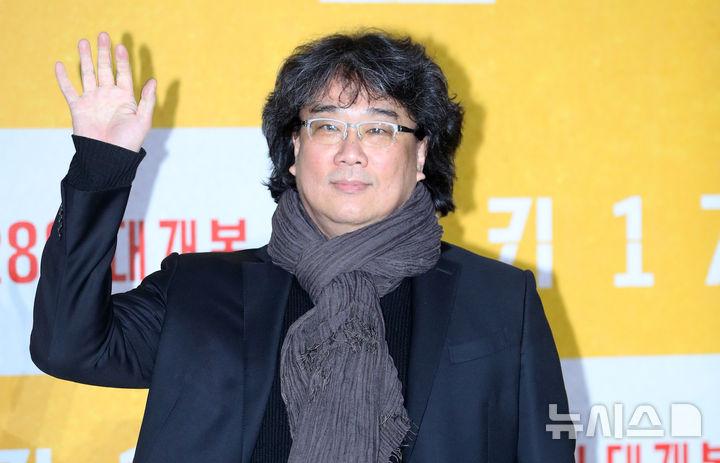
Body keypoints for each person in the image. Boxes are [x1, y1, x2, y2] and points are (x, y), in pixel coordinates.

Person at [30, 29, 576, 463]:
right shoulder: (199, 289)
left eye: (379, 129)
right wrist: (101, 165)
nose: (350, 152)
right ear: (293, 150)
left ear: (420, 156)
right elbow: (67, 346)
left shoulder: (499, 299)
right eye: (327, 126)